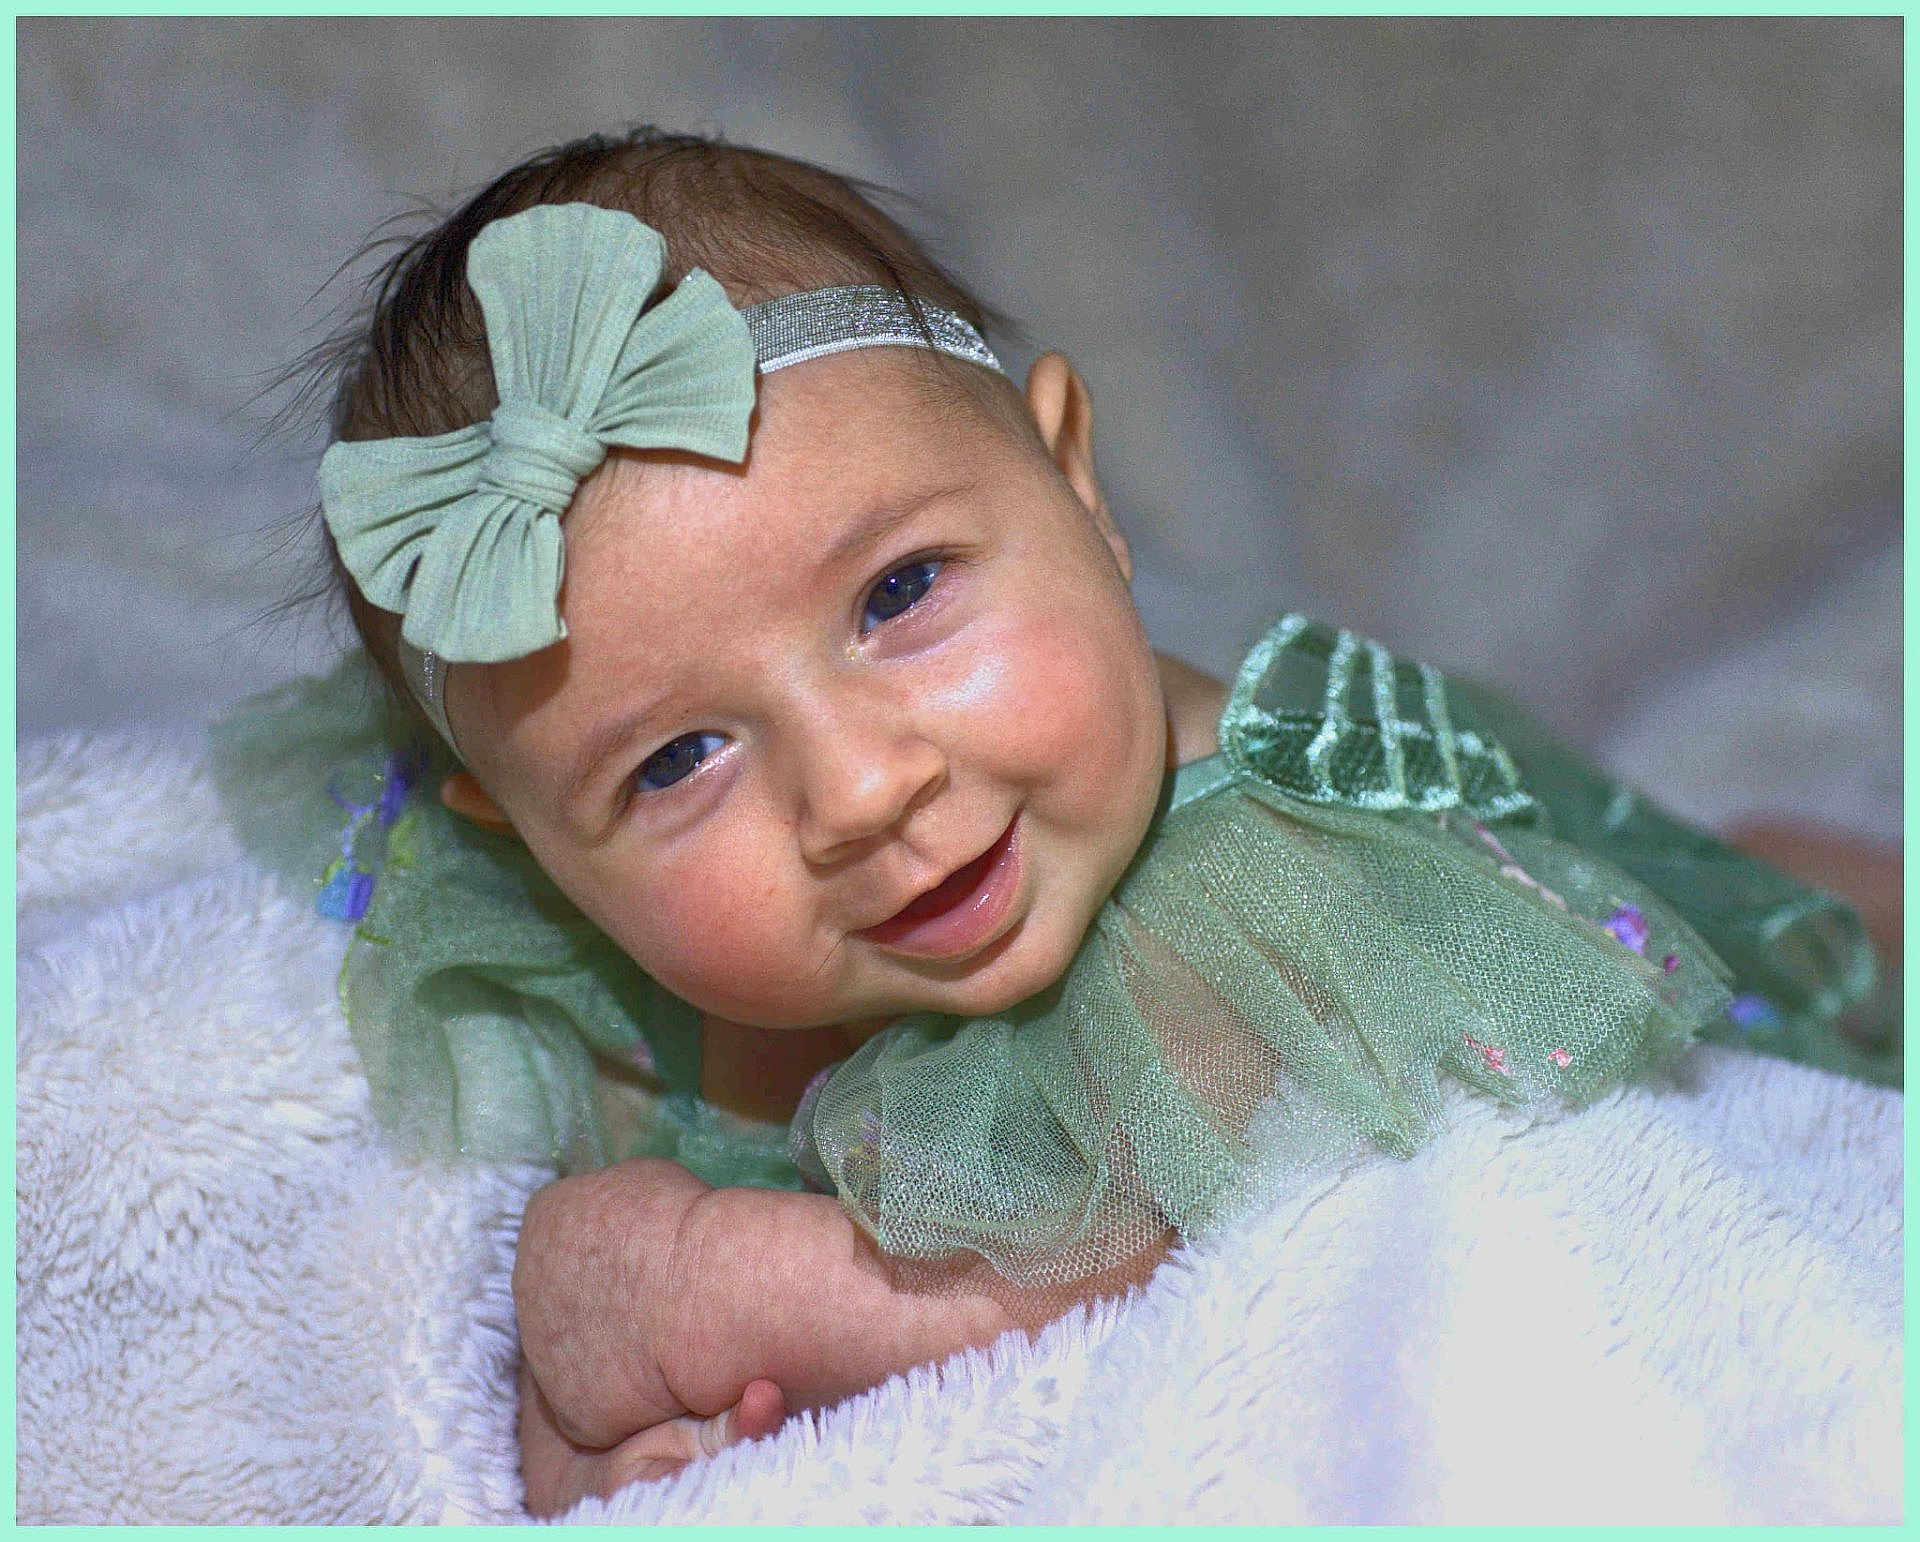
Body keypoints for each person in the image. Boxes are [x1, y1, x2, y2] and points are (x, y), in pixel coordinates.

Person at [216, 127, 1898, 1516]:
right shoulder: (623, 973)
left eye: (900, 593)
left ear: (1076, 483)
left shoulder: (1259, 887)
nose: (860, 790)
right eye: (678, 761)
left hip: (1525, 893)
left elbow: (1133, 1245)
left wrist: (702, 1280)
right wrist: (605, 1441)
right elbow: (618, 1399)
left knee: (1793, 920)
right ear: (530, 849)